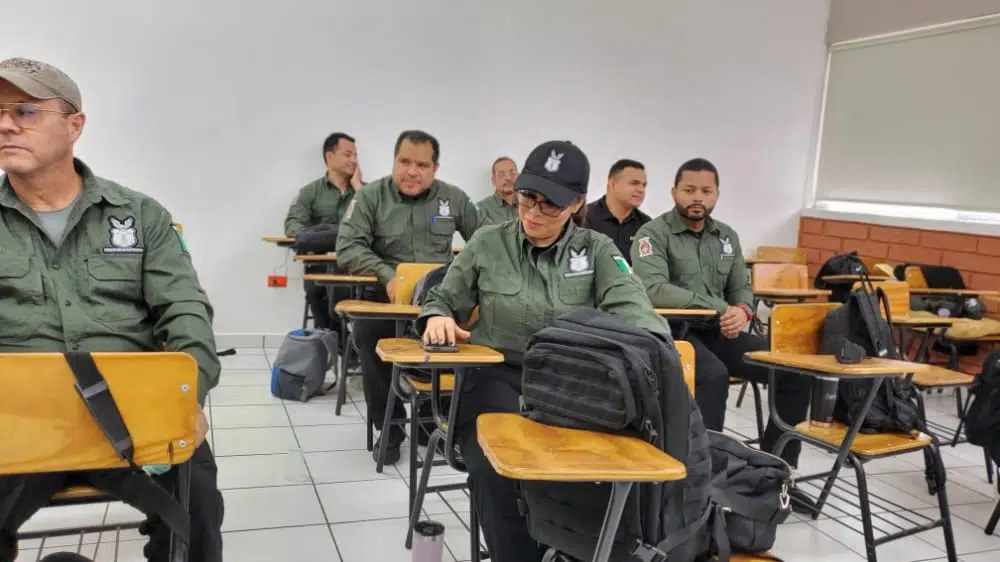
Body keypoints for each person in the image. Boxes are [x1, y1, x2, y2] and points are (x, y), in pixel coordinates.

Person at [0, 58, 223, 561]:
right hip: (18, 422)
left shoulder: (138, 216)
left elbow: (186, 311)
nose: (6, 123)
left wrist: (189, 399)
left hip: (132, 415)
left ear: (75, 124)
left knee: (200, 510)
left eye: (27, 110)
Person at [417, 140, 671, 562]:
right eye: (527, 198)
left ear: (576, 203)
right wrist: (436, 318)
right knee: (495, 463)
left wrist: (657, 351)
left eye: (549, 205)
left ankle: (574, 548)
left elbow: (636, 313)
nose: (533, 213)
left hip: (571, 383)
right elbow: (443, 299)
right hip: (496, 375)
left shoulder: (597, 250)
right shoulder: (487, 243)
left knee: (601, 464)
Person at [630, 157, 809, 469]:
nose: (698, 197)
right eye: (689, 189)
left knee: (793, 370)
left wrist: (742, 311)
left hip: (721, 331)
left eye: (706, 191)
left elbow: (742, 287)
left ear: (716, 195)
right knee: (713, 376)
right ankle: (707, 474)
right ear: (674, 192)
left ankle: (774, 469)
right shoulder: (652, 234)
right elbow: (653, 288)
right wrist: (720, 307)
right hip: (672, 333)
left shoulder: (727, 236)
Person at [336, 129, 480, 465]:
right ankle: (388, 428)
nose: (412, 171)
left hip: (438, 299)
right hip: (385, 297)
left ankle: (435, 419)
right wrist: (387, 276)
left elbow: (487, 241)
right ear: (394, 161)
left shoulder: (454, 199)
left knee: (472, 335)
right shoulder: (371, 197)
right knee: (368, 337)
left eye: (422, 164)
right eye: (404, 162)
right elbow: (347, 246)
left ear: (435, 168)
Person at [284, 132, 363, 331]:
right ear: (329, 157)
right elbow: (292, 226)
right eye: (347, 155)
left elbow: (377, 226)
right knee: (316, 291)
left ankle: (348, 344)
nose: (353, 160)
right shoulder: (310, 192)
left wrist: (360, 189)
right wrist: (322, 236)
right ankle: (338, 343)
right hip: (321, 267)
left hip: (357, 267)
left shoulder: (367, 193)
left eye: (355, 155)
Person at [585, 158, 651, 261]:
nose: (641, 190)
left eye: (644, 185)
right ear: (612, 184)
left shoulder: (646, 226)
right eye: (634, 183)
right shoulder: (585, 217)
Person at [475, 156, 518, 226]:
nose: (508, 178)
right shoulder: (481, 210)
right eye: (502, 174)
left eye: (512, 173)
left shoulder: (530, 205)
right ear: (493, 180)